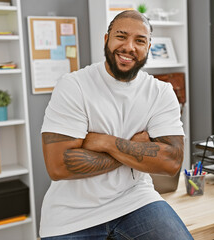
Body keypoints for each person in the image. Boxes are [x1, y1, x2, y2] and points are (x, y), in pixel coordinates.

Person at [40, 10, 193, 240]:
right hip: (71, 215)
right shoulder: (74, 86)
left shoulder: (161, 92)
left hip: (136, 200)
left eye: (139, 40)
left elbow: (172, 162)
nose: (129, 47)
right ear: (106, 40)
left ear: (148, 48)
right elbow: (58, 165)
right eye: (121, 36)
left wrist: (106, 142)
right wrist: (133, 151)